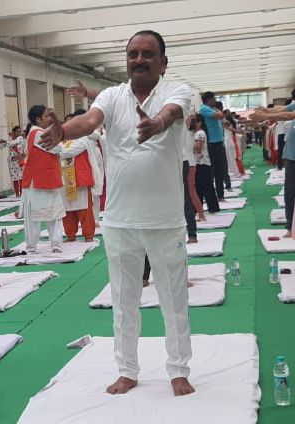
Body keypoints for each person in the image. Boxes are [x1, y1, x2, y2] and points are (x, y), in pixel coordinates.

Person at [41, 30, 194, 397]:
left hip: (164, 220)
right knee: (124, 300)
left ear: (163, 62)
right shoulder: (111, 96)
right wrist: (63, 131)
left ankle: (178, 370)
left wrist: (157, 124)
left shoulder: (177, 91)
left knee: (173, 299)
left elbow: (171, 113)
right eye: (133, 54)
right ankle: (127, 370)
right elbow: (89, 121)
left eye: (148, 54)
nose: (139, 59)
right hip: (120, 220)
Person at [21, 105, 66, 253]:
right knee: (36, 215)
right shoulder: (37, 133)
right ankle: (34, 246)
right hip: (37, 180)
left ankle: (54, 244)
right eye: (46, 116)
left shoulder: (37, 132)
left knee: (54, 212)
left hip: (47, 177)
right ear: (38, 119)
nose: (49, 119)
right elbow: (57, 148)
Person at [251, 96, 295, 236]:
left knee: (290, 191)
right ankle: (290, 226)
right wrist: (267, 110)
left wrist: (264, 115)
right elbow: (284, 109)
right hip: (291, 155)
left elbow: (289, 115)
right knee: (289, 192)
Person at [58, 111, 96, 242]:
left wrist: (57, 150)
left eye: (72, 122)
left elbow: (68, 152)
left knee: (84, 208)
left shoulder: (82, 138)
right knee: (67, 209)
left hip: (79, 179)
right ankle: (70, 234)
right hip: (63, 180)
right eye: (67, 123)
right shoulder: (61, 140)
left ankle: (88, 235)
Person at [199, 92, 228, 200]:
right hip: (211, 143)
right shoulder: (204, 109)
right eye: (214, 99)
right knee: (211, 171)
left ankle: (220, 195)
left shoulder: (210, 109)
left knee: (219, 169)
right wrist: (217, 109)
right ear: (209, 100)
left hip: (218, 142)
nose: (215, 101)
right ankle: (209, 196)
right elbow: (220, 116)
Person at [192, 115, 221, 214]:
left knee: (206, 187)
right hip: (198, 163)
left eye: (194, 121)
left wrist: (189, 145)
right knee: (200, 187)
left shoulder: (199, 133)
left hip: (202, 163)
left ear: (199, 122)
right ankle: (201, 209)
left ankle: (211, 208)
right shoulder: (195, 133)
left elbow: (198, 148)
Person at [0, 126, 25, 197]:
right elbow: (1, 146)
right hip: (12, 161)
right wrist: (0, 144)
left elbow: (13, 143)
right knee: (14, 177)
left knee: (20, 177)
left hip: (19, 160)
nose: (18, 133)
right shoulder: (10, 140)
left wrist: (5, 141)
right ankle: (17, 194)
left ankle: (22, 193)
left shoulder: (20, 138)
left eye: (19, 131)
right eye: (17, 131)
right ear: (13, 132)